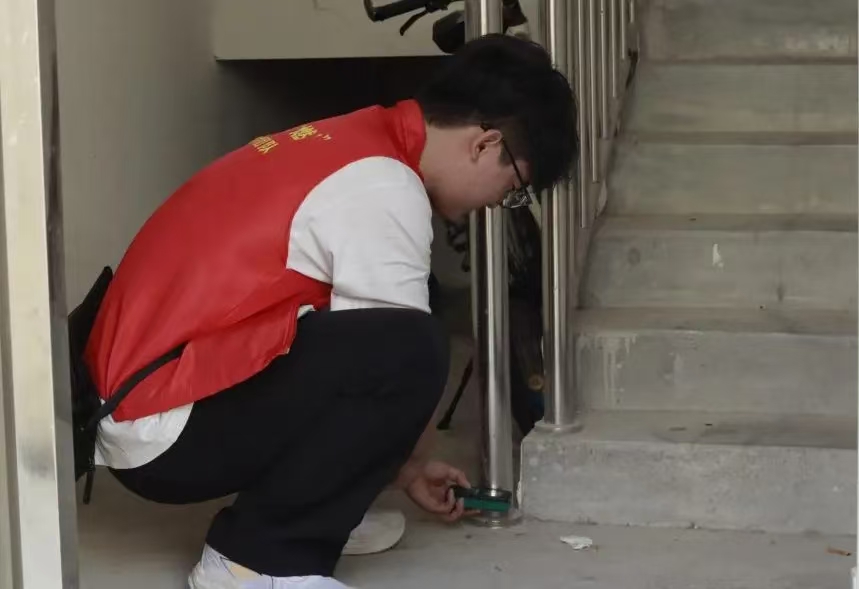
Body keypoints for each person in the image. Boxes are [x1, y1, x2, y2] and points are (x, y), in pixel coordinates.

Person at [84, 33, 576, 589]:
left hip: (140, 399)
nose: (496, 203)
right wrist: (410, 460)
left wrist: (398, 469)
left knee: (397, 320)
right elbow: (388, 359)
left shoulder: (355, 138)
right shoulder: (384, 184)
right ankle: (256, 562)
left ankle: (316, 509)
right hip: (160, 430)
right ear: (485, 144)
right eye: (513, 187)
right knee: (409, 347)